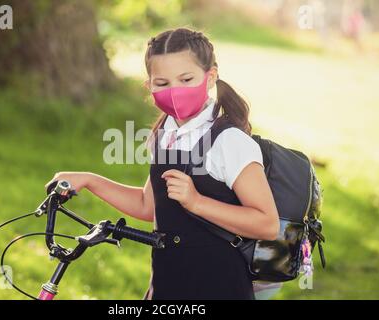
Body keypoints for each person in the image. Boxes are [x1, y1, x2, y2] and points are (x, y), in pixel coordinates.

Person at [45, 27, 279, 300]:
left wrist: (197, 202)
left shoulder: (230, 141)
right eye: (163, 83)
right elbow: (148, 206)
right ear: (149, 86)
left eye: (186, 79)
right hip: (168, 281)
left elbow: (267, 224)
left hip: (218, 285)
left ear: (210, 77)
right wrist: (89, 180)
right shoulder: (165, 133)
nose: (175, 91)